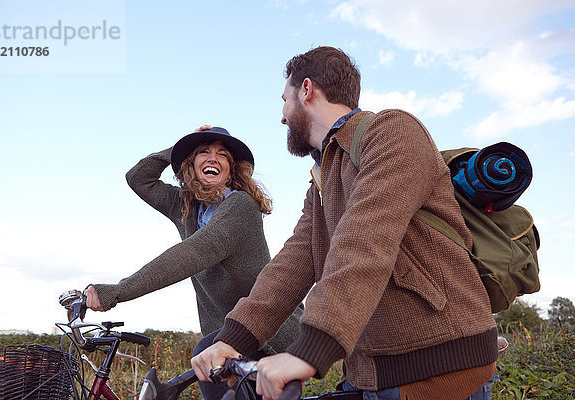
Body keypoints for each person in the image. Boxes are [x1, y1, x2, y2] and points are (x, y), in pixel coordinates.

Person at [191, 47, 499, 400]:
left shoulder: (392, 131)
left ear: (306, 90)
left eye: (284, 100)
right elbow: (291, 265)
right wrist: (233, 338)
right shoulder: (321, 178)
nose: (282, 117)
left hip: (437, 367)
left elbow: (365, 243)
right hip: (369, 372)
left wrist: (308, 351)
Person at [84, 126, 301, 400]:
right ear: (191, 164)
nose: (213, 158)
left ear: (232, 170)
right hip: (229, 340)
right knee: (209, 361)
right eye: (203, 153)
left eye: (222, 155)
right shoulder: (186, 207)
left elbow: (192, 253)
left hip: (270, 332)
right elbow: (138, 178)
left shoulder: (240, 206)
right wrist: (179, 147)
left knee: (203, 354)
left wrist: (117, 291)